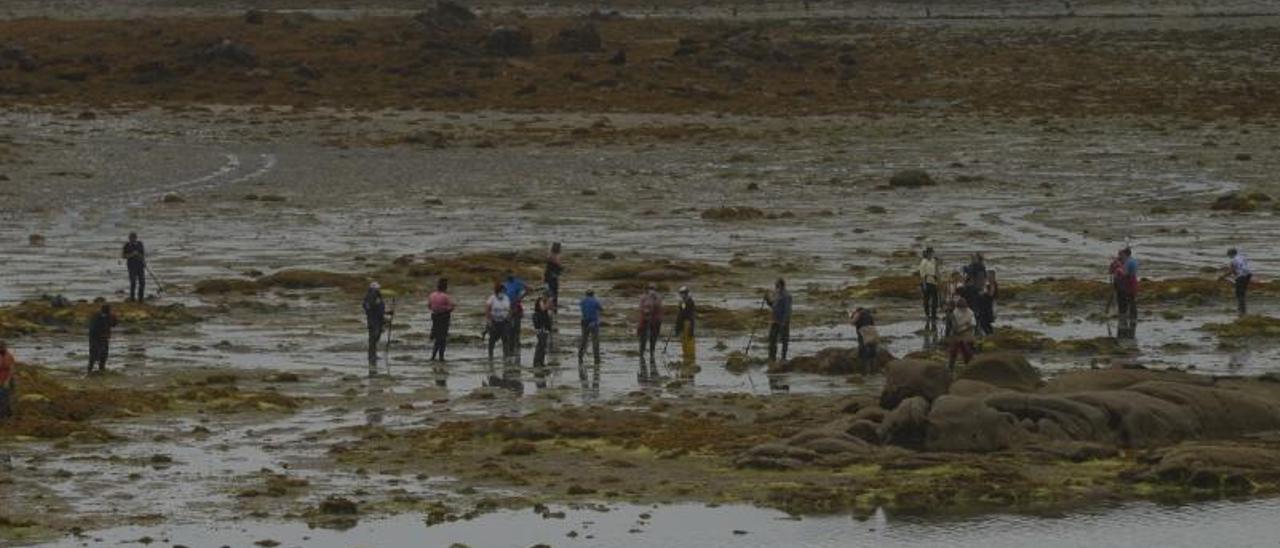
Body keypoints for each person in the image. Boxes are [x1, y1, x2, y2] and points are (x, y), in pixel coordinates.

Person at [363, 282, 391, 367]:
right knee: (373, 338)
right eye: (376, 289)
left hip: (378, 320)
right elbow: (369, 308)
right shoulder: (370, 297)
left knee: (376, 337)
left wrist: (387, 312)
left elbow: (379, 309)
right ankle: (371, 355)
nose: (377, 290)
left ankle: (373, 355)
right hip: (373, 320)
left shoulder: (377, 298)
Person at [427, 278, 456, 361]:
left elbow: (429, 306)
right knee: (442, 339)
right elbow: (451, 307)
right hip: (444, 318)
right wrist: (448, 309)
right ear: (445, 287)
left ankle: (434, 356)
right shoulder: (446, 297)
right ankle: (440, 356)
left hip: (435, 317)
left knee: (438, 337)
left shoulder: (432, 295)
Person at [765, 278, 792, 362]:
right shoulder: (776, 294)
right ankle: (772, 357)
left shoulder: (786, 296)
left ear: (780, 285)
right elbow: (773, 305)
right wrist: (767, 300)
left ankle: (783, 358)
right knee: (772, 339)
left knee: (784, 340)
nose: (775, 287)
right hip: (775, 320)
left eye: (776, 285)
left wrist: (784, 321)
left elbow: (787, 310)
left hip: (783, 321)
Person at [946, 298, 976, 371]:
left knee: (967, 352)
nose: (962, 310)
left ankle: (969, 367)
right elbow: (954, 326)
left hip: (967, 335)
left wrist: (963, 329)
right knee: (953, 351)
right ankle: (950, 367)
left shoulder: (970, 312)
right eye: (961, 308)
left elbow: (973, 325)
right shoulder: (955, 312)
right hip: (957, 335)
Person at [1222, 248, 1253, 316]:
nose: (1228, 256)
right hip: (1248, 275)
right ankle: (1241, 308)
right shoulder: (1242, 257)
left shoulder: (1233, 260)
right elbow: (1242, 268)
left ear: (1230, 254)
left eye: (1228, 255)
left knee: (1239, 293)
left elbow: (1231, 271)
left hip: (1242, 276)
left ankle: (1242, 310)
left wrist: (1222, 276)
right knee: (1242, 292)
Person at [638, 284, 663, 366]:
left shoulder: (658, 298)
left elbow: (658, 307)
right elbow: (642, 309)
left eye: (653, 289)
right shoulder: (643, 297)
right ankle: (642, 355)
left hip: (655, 322)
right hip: (645, 321)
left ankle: (652, 353)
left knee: (653, 338)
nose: (652, 290)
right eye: (650, 289)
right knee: (643, 339)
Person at [486, 282, 512, 360]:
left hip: (504, 322)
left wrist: (509, 317)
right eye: (501, 291)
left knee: (505, 339)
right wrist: (489, 321)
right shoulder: (492, 298)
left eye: (504, 291)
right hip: (494, 322)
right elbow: (487, 309)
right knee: (492, 340)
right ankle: (490, 356)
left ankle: (506, 355)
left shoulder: (506, 298)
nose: (503, 293)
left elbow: (509, 309)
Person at [88, 305, 118, 373]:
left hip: (101, 337)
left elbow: (113, 324)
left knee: (102, 354)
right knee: (95, 354)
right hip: (96, 338)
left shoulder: (105, 316)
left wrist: (115, 319)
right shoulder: (97, 317)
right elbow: (94, 328)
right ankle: (91, 369)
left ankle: (100, 368)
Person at [578, 289, 603, 366]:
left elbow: (582, 308)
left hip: (584, 322)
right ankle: (596, 358)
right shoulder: (595, 301)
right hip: (593, 322)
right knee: (595, 340)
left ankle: (580, 355)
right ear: (593, 294)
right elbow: (601, 309)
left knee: (584, 340)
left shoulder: (582, 301)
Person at [504, 271, 528, 350]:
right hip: (507, 308)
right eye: (508, 274)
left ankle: (517, 343)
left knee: (517, 327)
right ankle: (509, 344)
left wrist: (520, 298)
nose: (510, 275)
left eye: (511, 274)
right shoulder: (505, 284)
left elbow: (528, 289)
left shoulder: (517, 282)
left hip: (516, 306)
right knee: (508, 327)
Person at [850, 307, 878, 374]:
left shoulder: (858, 314)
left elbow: (853, 322)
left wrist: (852, 317)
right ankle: (873, 370)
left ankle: (864, 370)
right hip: (872, 332)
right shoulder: (869, 315)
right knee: (872, 350)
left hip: (863, 332)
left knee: (863, 350)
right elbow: (873, 324)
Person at [674, 286, 697, 366]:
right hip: (683, 323)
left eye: (683, 293)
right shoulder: (683, 301)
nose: (681, 295)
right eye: (681, 293)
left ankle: (690, 356)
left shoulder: (689, 301)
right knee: (684, 341)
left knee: (689, 340)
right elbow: (680, 315)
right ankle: (686, 356)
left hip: (688, 323)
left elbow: (685, 314)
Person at [918, 247, 940, 324]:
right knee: (926, 299)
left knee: (935, 299)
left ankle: (934, 314)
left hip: (933, 281)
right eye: (930, 253)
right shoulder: (923, 262)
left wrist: (938, 281)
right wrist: (924, 285)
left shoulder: (933, 261)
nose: (931, 254)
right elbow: (922, 275)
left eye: (932, 253)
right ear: (927, 253)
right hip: (927, 281)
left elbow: (936, 270)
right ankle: (927, 314)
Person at [122, 232, 147, 302]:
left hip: (140, 265)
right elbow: (124, 256)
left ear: (136, 238)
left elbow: (143, 254)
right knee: (133, 282)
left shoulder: (140, 244)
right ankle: (132, 298)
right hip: (131, 266)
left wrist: (144, 262)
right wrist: (132, 254)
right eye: (131, 238)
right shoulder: (127, 245)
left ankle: (140, 298)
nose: (132, 239)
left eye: (133, 238)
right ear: (129, 239)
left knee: (142, 282)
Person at [974, 270, 999, 336]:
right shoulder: (987, 283)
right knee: (983, 320)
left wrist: (984, 293)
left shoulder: (992, 284)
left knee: (985, 320)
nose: (988, 277)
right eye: (987, 275)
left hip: (989, 305)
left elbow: (991, 294)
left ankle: (989, 333)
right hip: (984, 304)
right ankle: (988, 333)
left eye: (989, 275)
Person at [532, 292, 553, 368]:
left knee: (543, 345)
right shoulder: (540, 301)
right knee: (540, 344)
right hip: (539, 326)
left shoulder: (546, 304)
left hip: (545, 326)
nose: (546, 298)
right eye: (546, 297)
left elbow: (549, 313)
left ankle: (541, 362)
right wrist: (548, 303)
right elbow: (543, 308)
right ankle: (536, 361)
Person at [1118, 247, 1138, 321]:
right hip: (1134, 281)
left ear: (1125, 254)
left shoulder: (1128, 262)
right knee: (1132, 299)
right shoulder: (1134, 260)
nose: (1122, 256)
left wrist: (1120, 270)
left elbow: (1125, 274)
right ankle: (1133, 315)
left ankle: (1130, 316)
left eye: (1122, 254)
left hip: (1129, 282)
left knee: (1129, 299)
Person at [1108, 248, 1128, 317]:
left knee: (1123, 296)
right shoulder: (1116, 262)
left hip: (1123, 282)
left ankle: (1123, 311)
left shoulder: (1125, 261)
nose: (1120, 256)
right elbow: (1110, 271)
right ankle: (1120, 311)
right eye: (1120, 254)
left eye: (1121, 254)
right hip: (1117, 281)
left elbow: (1125, 271)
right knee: (1118, 296)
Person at [544, 243, 563, 312]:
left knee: (547, 290)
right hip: (553, 276)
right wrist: (561, 269)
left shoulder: (549, 255)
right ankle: (553, 306)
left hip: (548, 276)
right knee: (553, 291)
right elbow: (558, 264)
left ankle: (547, 305)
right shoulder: (556, 256)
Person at [0, 341, 15, 419]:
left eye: (2, 347)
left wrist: (7, 381)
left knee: (4, 398)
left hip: (7, 380)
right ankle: (8, 414)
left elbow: (11, 370)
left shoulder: (9, 356)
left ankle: (4, 415)